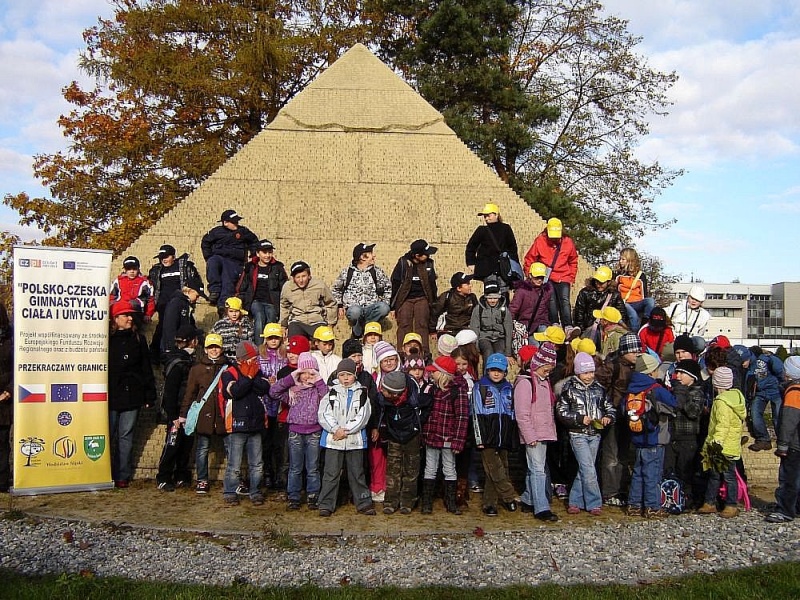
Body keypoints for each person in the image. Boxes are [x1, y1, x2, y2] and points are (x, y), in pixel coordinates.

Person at [557, 352, 614, 516]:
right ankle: (595, 502)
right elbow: (561, 412)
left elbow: (609, 407)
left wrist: (608, 417)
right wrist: (579, 418)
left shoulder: (599, 389)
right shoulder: (569, 389)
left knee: (584, 468)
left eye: (591, 372)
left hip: (595, 434)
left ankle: (575, 500)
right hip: (577, 433)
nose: (589, 376)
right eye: (585, 372)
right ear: (577, 372)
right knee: (588, 468)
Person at [317, 358, 375, 517]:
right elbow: (324, 414)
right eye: (342, 375)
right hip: (333, 440)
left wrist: (347, 430)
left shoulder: (362, 393)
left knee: (357, 472)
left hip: (354, 440)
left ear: (354, 375)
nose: (345, 378)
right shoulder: (331, 392)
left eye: (348, 375)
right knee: (331, 473)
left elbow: (363, 416)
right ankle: (326, 504)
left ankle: (363, 502)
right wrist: (336, 429)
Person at [269, 352, 326, 511]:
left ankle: (313, 495)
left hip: (314, 431)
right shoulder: (293, 391)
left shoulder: (317, 391)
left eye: (311, 372)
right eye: (304, 372)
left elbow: (328, 398)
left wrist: (319, 380)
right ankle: (293, 495)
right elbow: (273, 391)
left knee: (313, 466)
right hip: (295, 432)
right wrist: (290, 378)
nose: (308, 376)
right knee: (295, 466)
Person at [108, 302, 157, 488]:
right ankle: (104, 472)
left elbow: (146, 368)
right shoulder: (107, 340)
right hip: (111, 396)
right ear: (115, 319)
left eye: (131, 315)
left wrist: (148, 395)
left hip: (132, 395)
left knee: (125, 436)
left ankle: (122, 475)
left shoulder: (138, 339)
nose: (129, 318)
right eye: (125, 315)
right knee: (108, 434)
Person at [624, 354, 677, 519]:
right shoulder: (655, 388)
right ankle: (652, 507)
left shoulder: (631, 387)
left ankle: (633, 505)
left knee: (638, 472)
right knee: (652, 474)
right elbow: (674, 402)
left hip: (637, 437)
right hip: (654, 438)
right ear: (650, 372)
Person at [219, 341, 270, 506]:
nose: (255, 362)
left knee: (257, 463)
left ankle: (255, 491)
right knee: (234, 463)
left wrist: (251, 378)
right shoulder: (229, 373)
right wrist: (248, 378)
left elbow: (264, 388)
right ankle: (230, 491)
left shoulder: (257, 371)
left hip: (256, 424)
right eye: (252, 358)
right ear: (243, 359)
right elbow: (234, 392)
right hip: (237, 424)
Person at [178, 332, 229, 495]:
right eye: (211, 347)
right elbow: (190, 393)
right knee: (202, 448)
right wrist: (183, 414)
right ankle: (202, 479)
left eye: (216, 347)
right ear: (205, 349)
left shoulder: (229, 367)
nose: (214, 350)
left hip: (223, 414)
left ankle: (234, 479)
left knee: (230, 448)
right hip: (204, 415)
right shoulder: (197, 369)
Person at [595, 332, 642, 506]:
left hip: (629, 416)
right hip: (613, 414)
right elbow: (598, 386)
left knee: (623, 455)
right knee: (611, 455)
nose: (637, 354)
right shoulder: (612, 366)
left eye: (638, 350)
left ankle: (621, 489)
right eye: (633, 351)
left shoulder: (638, 366)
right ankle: (609, 492)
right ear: (624, 351)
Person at [514, 343, 559, 521]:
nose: (548, 373)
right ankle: (541, 508)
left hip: (544, 431)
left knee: (535, 468)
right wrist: (530, 436)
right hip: (534, 433)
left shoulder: (542, 381)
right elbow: (522, 414)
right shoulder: (525, 383)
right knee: (538, 470)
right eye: (546, 370)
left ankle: (529, 498)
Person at [421, 356, 470, 515]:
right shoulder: (431, 388)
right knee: (430, 469)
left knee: (450, 469)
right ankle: (427, 503)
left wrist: (458, 441)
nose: (431, 374)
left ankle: (451, 502)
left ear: (441, 374)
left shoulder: (458, 390)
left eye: (434, 372)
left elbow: (462, 417)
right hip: (432, 435)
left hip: (449, 437)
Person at [472, 353, 518, 517]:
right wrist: (479, 438)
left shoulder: (508, 388)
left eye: (499, 370)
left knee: (502, 467)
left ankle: (491, 502)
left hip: (503, 433)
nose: (496, 373)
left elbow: (511, 412)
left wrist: (511, 435)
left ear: (505, 371)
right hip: (487, 435)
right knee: (494, 469)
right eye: (492, 370)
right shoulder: (481, 387)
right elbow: (476, 413)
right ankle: (508, 496)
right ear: (487, 371)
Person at [697, 367, 746, 518]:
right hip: (729, 445)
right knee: (717, 475)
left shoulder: (721, 402)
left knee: (724, 476)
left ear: (715, 383)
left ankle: (730, 505)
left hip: (720, 446)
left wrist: (716, 443)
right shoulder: (736, 398)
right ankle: (710, 502)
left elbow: (722, 425)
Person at [148, 244, 205, 361]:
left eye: (166, 256)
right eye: (161, 257)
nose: (163, 259)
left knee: (188, 323)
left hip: (181, 299)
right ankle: (158, 354)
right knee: (163, 327)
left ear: (173, 256)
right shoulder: (157, 269)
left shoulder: (185, 267)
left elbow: (195, 281)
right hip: (164, 303)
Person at [376, 370, 422, 514]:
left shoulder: (413, 400)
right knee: (393, 470)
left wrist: (415, 428)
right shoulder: (383, 399)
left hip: (412, 434)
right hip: (393, 434)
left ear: (395, 394)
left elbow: (424, 413)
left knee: (411, 469)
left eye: (385, 390)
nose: (381, 391)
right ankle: (390, 501)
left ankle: (408, 501)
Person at [522, 217, 578, 330]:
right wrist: (530, 274)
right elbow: (529, 258)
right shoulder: (540, 241)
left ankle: (568, 325)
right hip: (548, 276)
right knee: (551, 299)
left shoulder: (568, 242)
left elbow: (573, 260)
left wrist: (571, 277)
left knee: (565, 300)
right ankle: (554, 323)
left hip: (564, 276)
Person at [664, 359, 704, 506]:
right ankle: (670, 499)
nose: (678, 376)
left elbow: (693, 412)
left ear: (692, 377)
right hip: (672, 436)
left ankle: (687, 499)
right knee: (669, 469)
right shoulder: (674, 390)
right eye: (677, 372)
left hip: (688, 438)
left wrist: (682, 394)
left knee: (685, 471)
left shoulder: (697, 392)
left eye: (682, 373)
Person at [765, 356, 800, 523]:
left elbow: (788, 422)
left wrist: (783, 445)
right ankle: (796, 507)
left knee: (788, 479)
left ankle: (785, 510)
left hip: (794, 444)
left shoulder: (794, 392)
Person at [331, 243, 392, 338]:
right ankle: (365, 327)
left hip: (371, 307)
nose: (374, 256)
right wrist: (339, 306)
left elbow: (387, 288)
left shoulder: (377, 272)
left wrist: (385, 301)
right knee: (356, 311)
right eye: (371, 253)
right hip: (353, 308)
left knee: (384, 308)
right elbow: (336, 289)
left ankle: (360, 328)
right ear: (363, 257)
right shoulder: (347, 272)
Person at [201, 209, 259, 307]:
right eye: (234, 222)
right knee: (212, 262)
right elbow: (205, 242)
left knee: (228, 283)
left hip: (235, 262)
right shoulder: (216, 232)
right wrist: (208, 256)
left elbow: (254, 242)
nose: (236, 224)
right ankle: (214, 290)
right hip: (219, 258)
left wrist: (253, 256)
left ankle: (222, 307)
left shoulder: (243, 231)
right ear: (225, 223)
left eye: (237, 221)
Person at [390, 239, 438, 353]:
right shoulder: (403, 263)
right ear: (417, 255)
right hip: (405, 298)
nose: (428, 255)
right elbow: (395, 284)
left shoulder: (429, 264)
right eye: (426, 254)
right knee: (404, 322)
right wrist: (392, 306)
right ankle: (402, 352)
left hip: (422, 297)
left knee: (422, 322)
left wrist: (433, 304)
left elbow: (432, 285)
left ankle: (424, 352)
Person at [236, 239, 288, 343]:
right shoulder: (250, 267)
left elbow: (284, 286)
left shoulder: (278, 267)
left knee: (271, 320)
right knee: (259, 318)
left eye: (270, 252)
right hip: (255, 301)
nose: (267, 255)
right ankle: (259, 347)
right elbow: (242, 286)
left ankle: (269, 347)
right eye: (265, 252)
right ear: (258, 253)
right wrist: (240, 301)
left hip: (272, 302)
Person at [257, 323, 287, 489]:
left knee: (279, 443)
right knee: (266, 442)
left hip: (281, 404)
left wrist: (279, 381)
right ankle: (267, 473)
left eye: (276, 338)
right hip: (265, 404)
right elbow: (256, 375)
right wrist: (266, 381)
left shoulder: (285, 354)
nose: (273, 341)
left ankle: (279, 475)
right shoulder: (259, 356)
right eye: (270, 338)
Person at [465, 202, 520, 291]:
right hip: (487, 270)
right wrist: (471, 263)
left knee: (503, 296)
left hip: (503, 270)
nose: (486, 218)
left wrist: (513, 267)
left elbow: (513, 248)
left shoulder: (506, 229)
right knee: (490, 296)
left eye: (488, 215)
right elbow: (471, 247)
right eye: (485, 216)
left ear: (496, 215)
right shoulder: (481, 230)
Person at [280, 261, 338, 339]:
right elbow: (284, 306)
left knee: (323, 342)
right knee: (295, 343)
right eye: (298, 277)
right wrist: (283, 325)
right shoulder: (287, 287)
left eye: (304, 276)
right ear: (293, 278)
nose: (301, 280)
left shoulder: (319, 285)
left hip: (317, 320)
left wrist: (330, 324)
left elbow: (331, 303)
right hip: (297, 320)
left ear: (309, 276)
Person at [572, 266, 629, 345]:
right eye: (596, 281)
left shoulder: (615, 295)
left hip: (608, 330)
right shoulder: (585, 292)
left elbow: (621, 314)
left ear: (608, 282)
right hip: (588, 329)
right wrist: (581, 329)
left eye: (601, 282)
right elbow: (579, 312)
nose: (598, 284)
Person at [748, 349, 785, 452]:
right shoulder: (751, 363)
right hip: (761, 392)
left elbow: (779, 371)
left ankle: (782, 441)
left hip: (775, 390)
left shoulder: (768, 359)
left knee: (777, 417)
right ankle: (763, 439)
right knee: (755, 413)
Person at [470, 281, 513, 363]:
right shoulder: (478, 309)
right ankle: (487, 374)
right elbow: (474, 329)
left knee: (499, 353)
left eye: (495, 298)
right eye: (490, 298)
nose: (492, 301)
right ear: (485, 297)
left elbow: (508, 331)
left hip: (500, 338)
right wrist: (476, 349)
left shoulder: (504, 310)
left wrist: (508, 353)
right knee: (488, 352)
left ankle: (499, 373)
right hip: (484, 337)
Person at [509, 262, 553, 343]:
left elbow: (545, 311)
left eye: (541, 277)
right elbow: (513, 309)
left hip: (540, 324)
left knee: (546, 342)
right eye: (537, 277)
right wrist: (511, 328)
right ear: (530, 275)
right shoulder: (522, 291)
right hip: (525, 325)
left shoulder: (545, 292)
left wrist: (547, 324)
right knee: (535, 346)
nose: (539, 280)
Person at [109, 256, 155, 327]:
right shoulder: (118, 281)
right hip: (121, 308)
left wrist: (148, 314)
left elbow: (150, 300)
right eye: (129, 269)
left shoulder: (144, 282)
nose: (132, 271)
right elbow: (112, 297)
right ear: (124, 269)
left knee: (131, 305)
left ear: (138, 269)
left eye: (134, 269)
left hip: (136, 309)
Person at [616, 248, 655, 331]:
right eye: (620, 259)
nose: (620, 261)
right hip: (623, 302)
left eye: (623, 259)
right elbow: (614, 290)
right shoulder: (618, 274)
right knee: (633, 314)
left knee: (650, 301)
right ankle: (635, 332)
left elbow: (644, 294)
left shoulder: (641, 275)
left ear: (630, 261)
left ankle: (645, 322)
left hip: (637, 302)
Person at [431, 272, 478, 338]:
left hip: (466, 331)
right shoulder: (446, 297)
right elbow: (435, 313)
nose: (470, 286)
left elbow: (477, 315)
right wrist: (432, 331)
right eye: (467, 284)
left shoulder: (472, 297)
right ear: (459, 288)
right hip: (448, 331)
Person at [160, 286, 200, 356]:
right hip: (174, 348)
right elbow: (169, 326)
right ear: (190, 291)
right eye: (197, 296)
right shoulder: (176, 303)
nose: (198, 299)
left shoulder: (186, 304)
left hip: (182, 346)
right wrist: (172, 347)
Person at [0, 304, 12, 493]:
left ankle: (2, 482)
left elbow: (17, 368)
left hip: (4, 399)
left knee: (2, 443)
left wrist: (8, 390)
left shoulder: (11, 339)